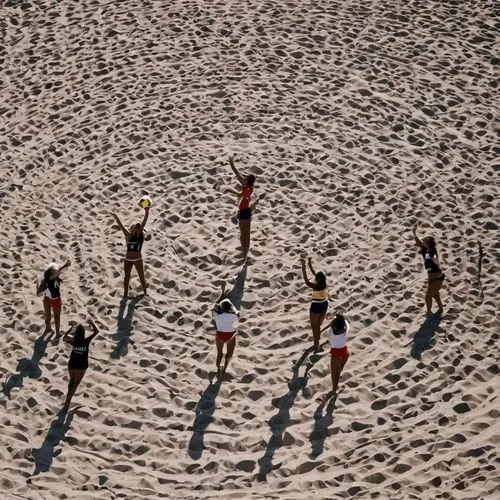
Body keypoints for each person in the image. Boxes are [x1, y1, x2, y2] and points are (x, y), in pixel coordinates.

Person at [62, 318, 99, 412]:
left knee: (71, 383)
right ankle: (67, 405)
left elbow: (64, 338)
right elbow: (96, 331)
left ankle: (67, 402)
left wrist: (71, 328)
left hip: (72, 364)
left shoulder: (73, 341)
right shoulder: (86, 341)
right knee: (74, 385)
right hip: (81, 366)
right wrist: (92, 323)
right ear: (83, 334)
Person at [112, 205, 150, 297]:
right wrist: (115, 216)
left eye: (136, 226)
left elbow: (143, 223)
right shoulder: (128, 235)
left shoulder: (138, 235)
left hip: (137, 259)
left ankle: (145, 293)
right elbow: (120, 225)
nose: (134, 226)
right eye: (133, 226)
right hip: (128, 259)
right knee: (126, 277)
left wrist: (146, 212)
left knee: (141, 277)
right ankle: (125, 294)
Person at [413, 224, 444, 316]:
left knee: (428, 296)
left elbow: (419, 244)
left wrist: (414, 233)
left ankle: (429, 312)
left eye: (424, 241)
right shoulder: (427, 249)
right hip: (432, 274)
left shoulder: (430, 250)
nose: (422, 241)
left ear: (428, 243)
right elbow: (419, 244)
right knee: (434, 294)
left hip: (435, 275)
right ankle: (441, 309)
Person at [227, 156, 256, 257]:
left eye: (246, 179)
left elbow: (240, 195)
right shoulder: (248, 187)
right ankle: (245, 250)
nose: (243, 179)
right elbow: (238, 174)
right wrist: (232, 164)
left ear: (247, 182)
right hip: (244, 211)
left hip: (245, 212)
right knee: (244, 233)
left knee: (244, 233)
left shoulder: (247, 190)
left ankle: (245, 253)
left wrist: (230, 190)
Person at [300, 254, 328, 352]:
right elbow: (315, 274)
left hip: (316, 308)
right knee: (318, 326)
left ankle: (316, 346)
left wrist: (303, 267)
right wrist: (310, 264)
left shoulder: (315, 286)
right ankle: (317, 344)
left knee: (314, 326)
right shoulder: (324, 284)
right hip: (324, 306)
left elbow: (307, 281)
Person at [36, 260, 71, 336]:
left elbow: (58, 271)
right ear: (51, 274)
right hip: (48, 300)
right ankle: (48, 328)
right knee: (48, 315)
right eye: (55, 271)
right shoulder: (47, 280)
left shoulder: (56, 276)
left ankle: (57, 332)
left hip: (54, 300)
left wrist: (65, 266)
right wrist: (38, 287)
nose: (57, 271)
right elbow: (38, 294)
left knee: (56, 317)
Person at [213, 283, 239, 377]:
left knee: (219, 353)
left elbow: (216, 305)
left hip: (219, 335)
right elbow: (236, 324)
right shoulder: (233, 314)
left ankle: (218, 367)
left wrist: (223, 295)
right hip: (230, 335)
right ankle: (224, 368)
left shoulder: (217, 314)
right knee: (229, 354)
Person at [326, 313, 350, 394]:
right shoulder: (346, 326)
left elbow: (330, 340)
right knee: (339, 370)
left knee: (334, 373)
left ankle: (334, 390)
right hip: (344, 351)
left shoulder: (331, 333)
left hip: (336, 352)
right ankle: (339, 373)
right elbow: (344, 321)